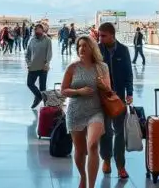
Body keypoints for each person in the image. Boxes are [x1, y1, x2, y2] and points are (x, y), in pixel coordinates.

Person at [61, 35, 111, 188]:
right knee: (80, 151)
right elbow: (63, 90)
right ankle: (83, 176)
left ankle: (91, 185)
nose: (81, 49)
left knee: (94, 145)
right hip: (76, 112)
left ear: (92, 48)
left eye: (85, 46)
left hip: (95, 111)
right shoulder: (72, 68)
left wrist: (103, 84)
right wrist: (80, 91)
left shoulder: (102, 67)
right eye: (79, 46)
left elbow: (109, 90)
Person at [97, 23, 133, 179]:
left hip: (118, 97)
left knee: (119, 132)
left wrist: (129, 93)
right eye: (99, 35)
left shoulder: (123, 50)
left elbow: (128, 72)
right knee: (105, 131)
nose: (100, 38)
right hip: (102, 98)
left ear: (112, 35)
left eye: (103, 35)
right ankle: (106, 159)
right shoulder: (97, 50)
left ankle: (121, 165)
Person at [25, 23, 54, 109]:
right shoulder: (32, 40)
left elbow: (49, 54)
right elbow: (28, 54)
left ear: (42, 30)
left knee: (42, 88)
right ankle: (39, 97)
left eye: (38, 29)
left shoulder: (47, 40)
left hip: (43, 68)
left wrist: (47, 64)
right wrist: (28, 64)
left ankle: (46, 108)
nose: (36, 31)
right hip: (33, 67)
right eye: (35, 30)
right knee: (30, 83)